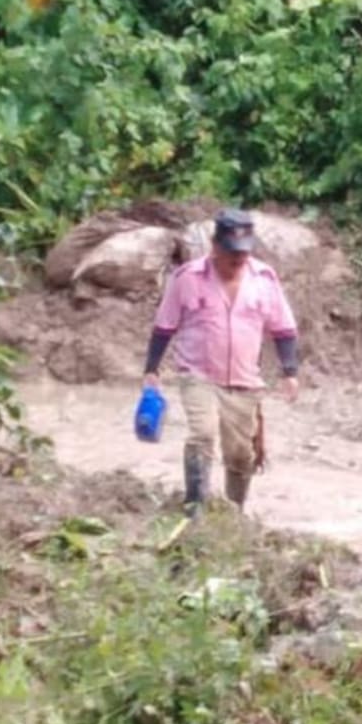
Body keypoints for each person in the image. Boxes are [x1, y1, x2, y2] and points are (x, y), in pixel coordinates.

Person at [142, 208, 300, 515]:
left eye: (241, 256)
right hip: (198, 374)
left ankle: (234, 512)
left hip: (244, 380)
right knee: (202, 434)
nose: (236, 261)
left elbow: (284, 328)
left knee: (241, 455)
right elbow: (164, 327)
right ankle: (195, 508)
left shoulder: (264, 280)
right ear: (215, 246)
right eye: (230, 255)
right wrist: (152, 369)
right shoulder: (187, 278)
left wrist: (289, 371)